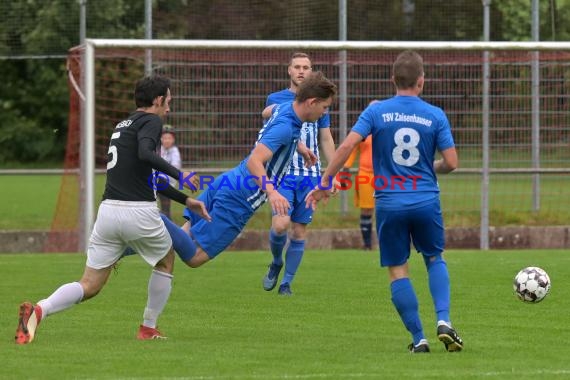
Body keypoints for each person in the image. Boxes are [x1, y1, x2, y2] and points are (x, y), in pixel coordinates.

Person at [15, 75, 210, 345]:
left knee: (90, 284)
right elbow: (145, 154)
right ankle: (148, 328)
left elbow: (143, 173)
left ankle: (40, 309)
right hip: (138, 211)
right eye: (168, 100)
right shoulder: (152, 121)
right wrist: (181, 174)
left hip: (108, 212)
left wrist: (185, 200)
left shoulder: (123, 124)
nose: (169, 106)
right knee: (166, 259)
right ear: (157, 100)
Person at [306, 51, 462, 353]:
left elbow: (348, 144)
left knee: (397, 269)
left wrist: (325, 180)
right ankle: (444, 320)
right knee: (434, 258)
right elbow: (452, 162)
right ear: (421, 81)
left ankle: (419, 339)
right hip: (426, 199)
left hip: (389, 202)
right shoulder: (435, 114)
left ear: (393, 80)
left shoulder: (376, 112)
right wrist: (433, 168)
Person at [156, 71, 337, 277]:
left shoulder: (285, 108)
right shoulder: (286, 127)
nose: (324, 113)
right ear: (312, 102)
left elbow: (267, 113)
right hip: (241, 197)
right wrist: (272, 192)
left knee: (182, 234)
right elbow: (255, 161)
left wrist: (299, 146)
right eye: (324, 107)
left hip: (230, 180)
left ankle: (130, 241)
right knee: (195, 257)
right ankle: (160, 220)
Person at [260, 52, 337, 296]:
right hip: (282, 174)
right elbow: (266, 116)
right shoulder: (277, 99)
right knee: (281, 225)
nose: (301, 71)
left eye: (306, 67)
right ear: (289, 71)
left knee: (299, 231)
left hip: (310, 175)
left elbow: (325, 137)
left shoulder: (320, 101)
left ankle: (286, 283)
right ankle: (276, 261)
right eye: (297, 67)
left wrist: (331, 174)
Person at [341, 134, 374, 250]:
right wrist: (346, 169)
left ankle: (391, 243)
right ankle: (367, 245)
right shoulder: (364, 129)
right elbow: (353, 149)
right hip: (365, 173)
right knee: (366, 209)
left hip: (385, 173)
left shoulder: (387, 127)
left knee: (390, 208)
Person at [158, 124, 182, 218]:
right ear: (160, 139)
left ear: (173, 140)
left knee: (165, 202)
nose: (167, 140)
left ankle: (166, 217)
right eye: (164, 138)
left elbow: (175, 167)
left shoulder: (175, 151)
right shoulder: (159, 149)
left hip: (168, 181)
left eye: (169, 138)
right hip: (157, 179)